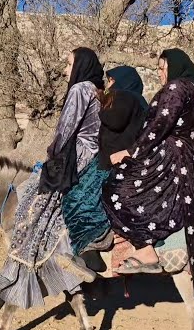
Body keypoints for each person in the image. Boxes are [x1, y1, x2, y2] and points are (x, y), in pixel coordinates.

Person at [0, 47, 104, 310]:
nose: (65, 69)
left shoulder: (80, 89)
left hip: (71, 160)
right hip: (86, 160)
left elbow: (66, 130)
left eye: (69, 63)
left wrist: (52, 158)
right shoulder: (97, 91)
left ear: (80, 65)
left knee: (28, 210)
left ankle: (8, 281)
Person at [101, 48, 194, 299]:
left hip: (169, 161)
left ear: (174, 66)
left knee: (115, 189)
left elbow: (159, 125)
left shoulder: (177, 88)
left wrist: (131, 151)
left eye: (161, 67)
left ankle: (145, 249)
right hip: (190, 162)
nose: (159, 73)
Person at [57, 66, 147, 277]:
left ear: (122, 81)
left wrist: (100, 103)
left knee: (79, 197)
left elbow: (113, 120)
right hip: (110, 160)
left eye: (111, 81)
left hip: (115, 164)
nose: (108, 85)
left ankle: (91, 252)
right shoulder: (136, 99)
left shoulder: (126, 97)